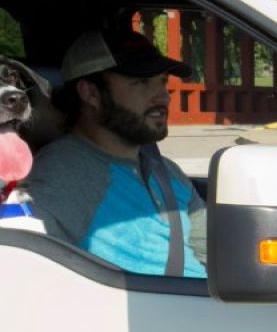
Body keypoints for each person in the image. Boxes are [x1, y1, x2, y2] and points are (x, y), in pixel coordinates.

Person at [27, 29, 207, 278]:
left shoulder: (167, 171)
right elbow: (39, 275)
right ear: (91, 93)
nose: (163, 96)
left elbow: (215, 251)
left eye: (162, 81)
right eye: (141, 82)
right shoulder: (60, 175)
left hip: (202, 309)